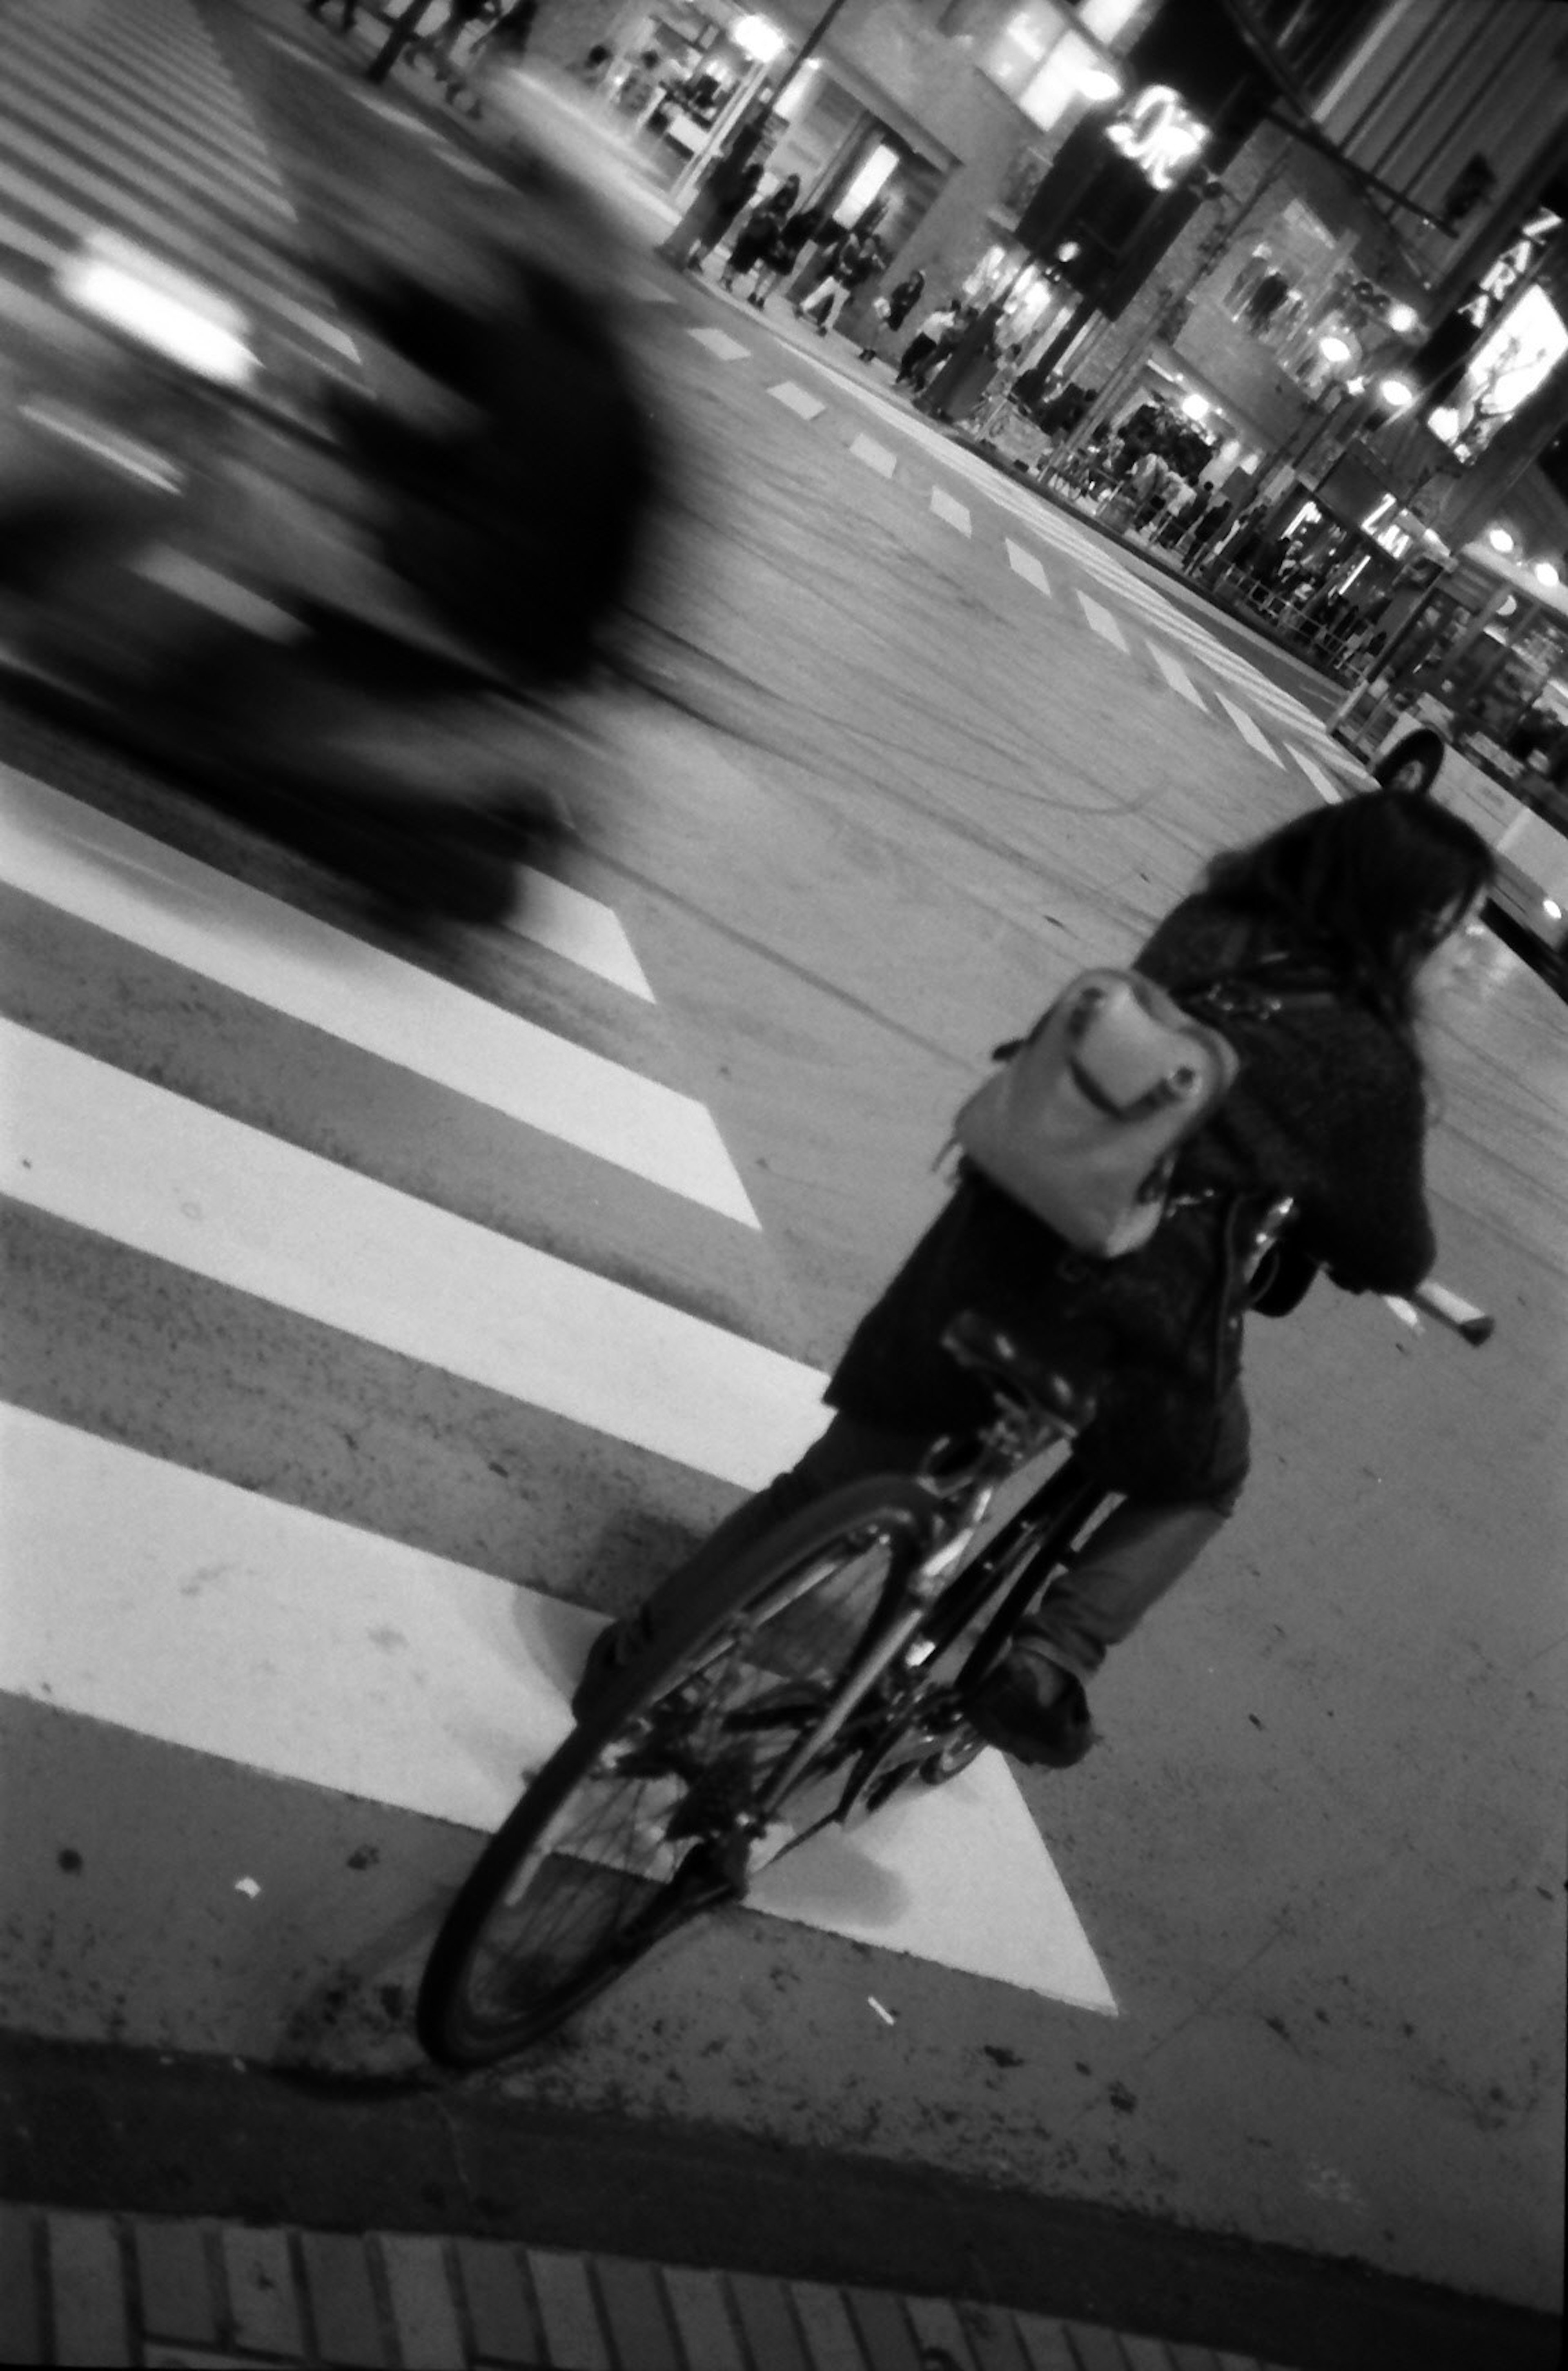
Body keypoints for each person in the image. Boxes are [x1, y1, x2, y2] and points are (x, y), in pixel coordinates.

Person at [575, 795, 1496, 1765]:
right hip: (1131, 1327)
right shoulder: (1369, 1065)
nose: (1458, 950)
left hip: (989, 1248)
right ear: (1408, 921)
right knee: (1205, 1478)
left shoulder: (1209, 928)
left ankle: (631, 1664)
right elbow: (1393, 1251)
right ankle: (1047, 1660)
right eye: (1456, 924)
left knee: (824, 1486)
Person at [719, 175, 800, 297]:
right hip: (755, 231)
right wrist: (766, 215)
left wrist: (775, 221)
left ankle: (729, 280)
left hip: (765, 237)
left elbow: (781, 223)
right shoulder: (770, 200)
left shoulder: (784, 212)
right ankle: (726, 278)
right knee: (739, 256)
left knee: (747, 261)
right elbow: (756, 212)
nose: (784, 201)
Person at [855, 266, 925, 362]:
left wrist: (902, 302)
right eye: (914, 276)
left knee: (880, 330)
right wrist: (900, 302)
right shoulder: (904, 286)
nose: (914, 279)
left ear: (920, 281)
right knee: (877, 331)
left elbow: (909, 304)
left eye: (917, 278)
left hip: (898, 316)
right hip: (891, 311)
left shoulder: (917, 294)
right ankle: (869, 350)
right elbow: (894, 296)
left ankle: (872, 350)